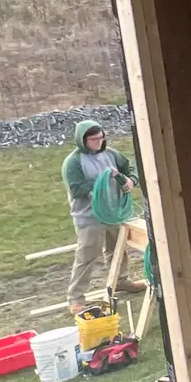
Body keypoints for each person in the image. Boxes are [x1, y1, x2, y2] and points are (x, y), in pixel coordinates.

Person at [63, 119, 146, 311]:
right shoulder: (73, 162)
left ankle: (122, 280)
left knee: (117, 249)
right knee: (87, 256)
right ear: (82, 140)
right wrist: (102, 181)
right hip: (89, 218)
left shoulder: (111, 154)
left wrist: (130, 181)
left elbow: (130, 169)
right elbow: (77, 188)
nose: (98, 142)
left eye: (101, 138)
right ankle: (75, 299)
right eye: (93, 139)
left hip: (114, 213)